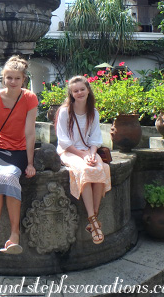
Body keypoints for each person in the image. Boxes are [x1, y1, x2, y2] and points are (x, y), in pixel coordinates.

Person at [0, 55, 38, 259]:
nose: (13, 82)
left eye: (17, 78)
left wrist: (30, 163)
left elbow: (30, 132)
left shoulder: (30, 98)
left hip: (19, 151)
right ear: (3, 78)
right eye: (9, 78)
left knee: (11, 176)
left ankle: (14, 233)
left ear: (23, 80)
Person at [55, 75, 111, 244]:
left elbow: (95, 138)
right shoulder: (64, 112)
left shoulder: (93, 112)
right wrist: (83, 156)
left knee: (99, 169)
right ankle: (93, 220)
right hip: (69, 151)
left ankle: (92, 219)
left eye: (82, 89)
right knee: (86, 170)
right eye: (75, 90)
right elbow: (63, 141)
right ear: (71, 94)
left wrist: (93, 154)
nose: (79, 93)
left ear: (88, 90)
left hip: (88, 150)